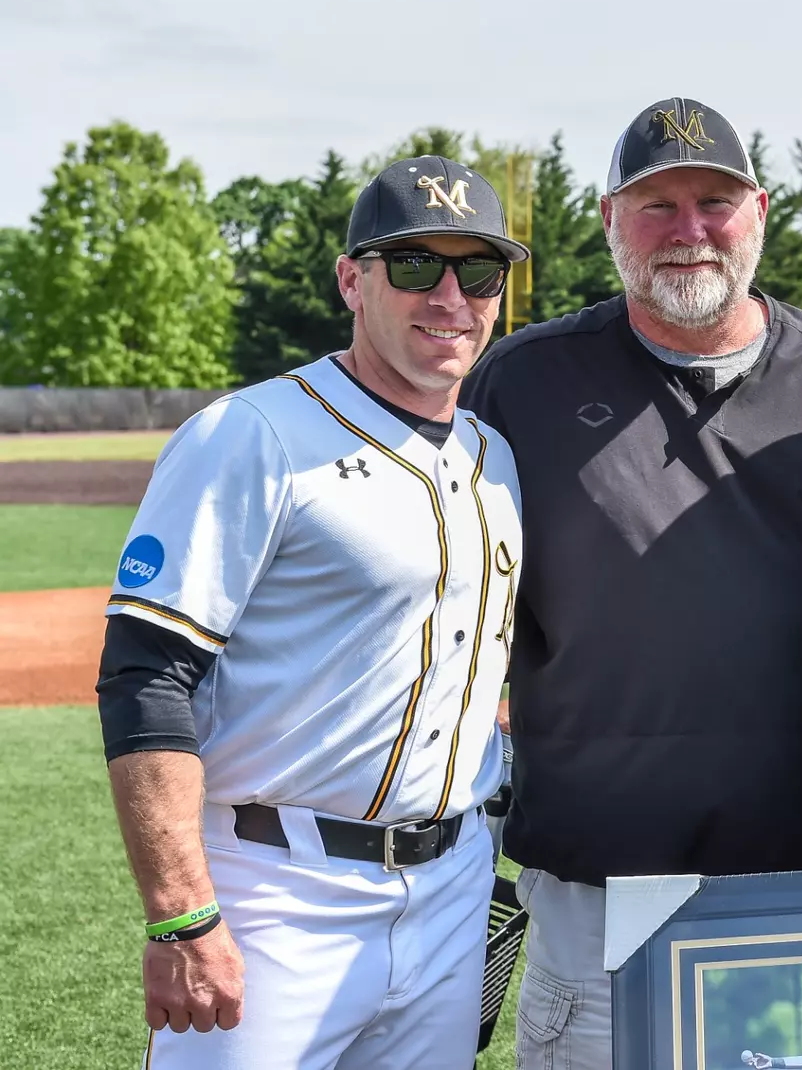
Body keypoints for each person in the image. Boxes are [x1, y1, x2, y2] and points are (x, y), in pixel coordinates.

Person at [457, 97, 802, 1070]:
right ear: (610, 216)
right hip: (598, 895)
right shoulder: (522, 379)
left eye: (714, 200)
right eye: (656, 204)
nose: (689, 229)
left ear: (758, 209)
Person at [97, 154, 527, 1069]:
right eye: (414, 264)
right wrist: (181, 913)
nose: (449, 293)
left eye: (477, 269)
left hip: (452, 889)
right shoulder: (251, 435)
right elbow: (145, 676)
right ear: (350, 280)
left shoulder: (496, 457)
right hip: (277, 890)